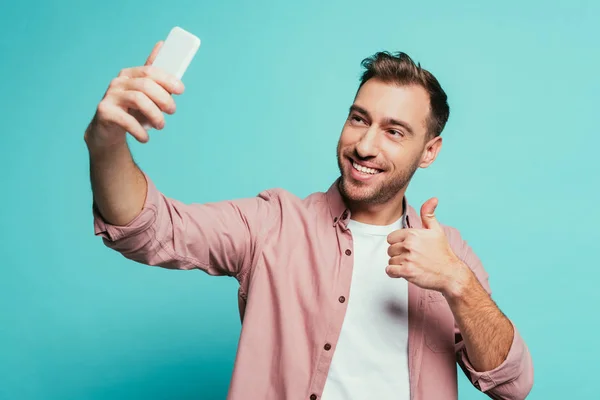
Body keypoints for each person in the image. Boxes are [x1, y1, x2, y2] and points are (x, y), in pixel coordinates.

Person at [85, 41, 534, 400]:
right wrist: (106, 142)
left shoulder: (448, 252)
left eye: (394, 131)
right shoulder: (273, 225)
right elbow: (150, 228)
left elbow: (512, 386)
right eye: (359, 119)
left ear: (429, 151)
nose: (365, 145)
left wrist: (458, 281)